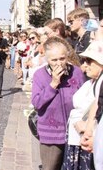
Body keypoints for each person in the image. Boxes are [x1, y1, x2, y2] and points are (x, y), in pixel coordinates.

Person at [31, 36, 85, 170]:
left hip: (75, 132)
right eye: (54, 60)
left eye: (62, 58)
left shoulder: (76, 72)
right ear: (47, 59)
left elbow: (85, 97)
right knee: (50, 166)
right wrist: (53, 84)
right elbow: (37, 103)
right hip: (51, 133)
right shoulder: (40, 75)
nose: (59, 63)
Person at [62, 41, 103, 170]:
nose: (85, 65)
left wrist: (90, 131)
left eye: (89, 61)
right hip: (78, 139)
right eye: (84, 61)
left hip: (90, 142)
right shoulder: (91, 81)